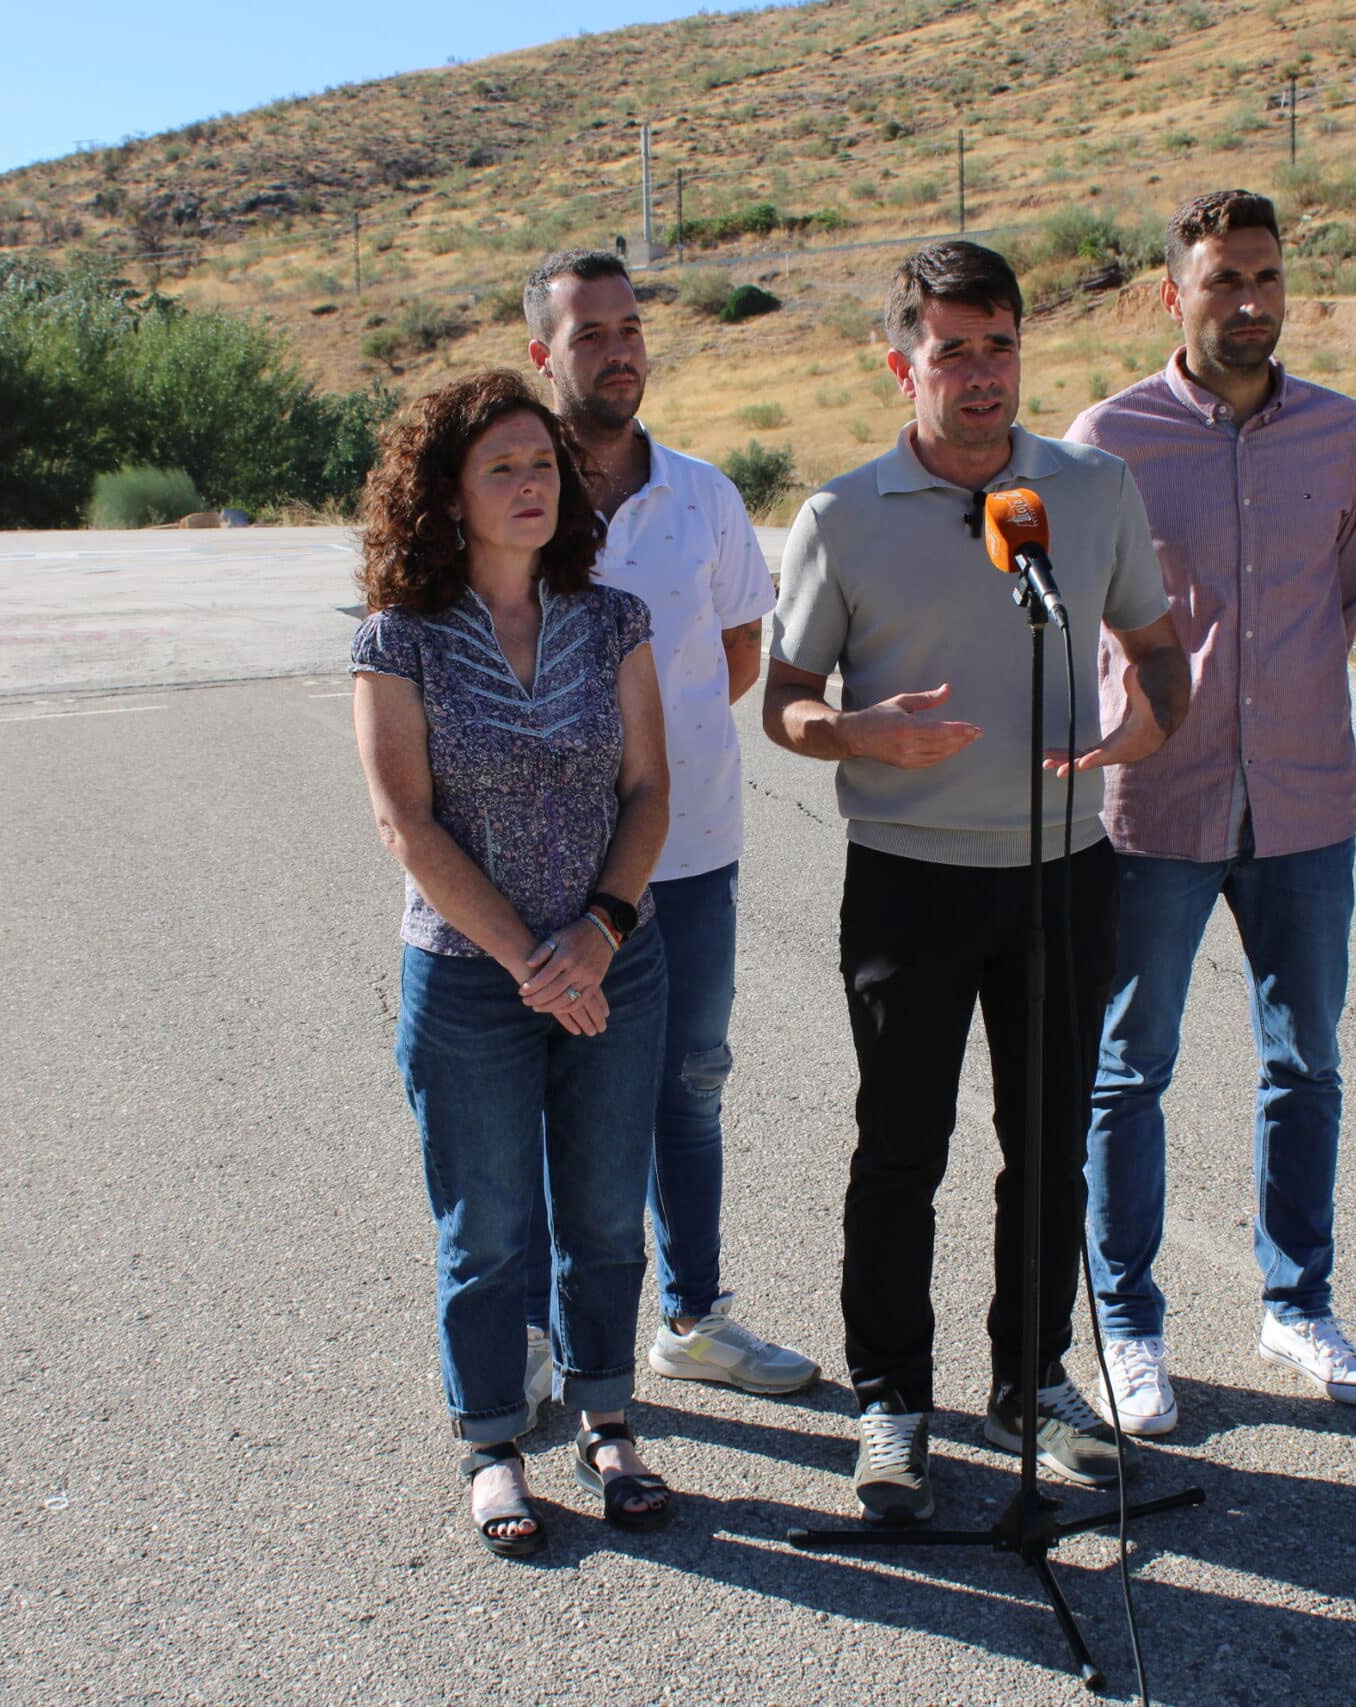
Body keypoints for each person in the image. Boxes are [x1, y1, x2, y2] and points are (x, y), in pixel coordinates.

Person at [763, 241, 1191, 1523]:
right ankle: (892, 1400)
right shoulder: (841, 516)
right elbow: (785, 700)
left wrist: (1148, 726)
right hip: (909, 881)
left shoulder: (1090, 489)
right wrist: (852, 730)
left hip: (1064, 871)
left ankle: (1030, 1382)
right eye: (951, 350)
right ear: (902, 364)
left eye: (999, 345)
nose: (982, 373)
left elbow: (1155, 648)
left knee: (1048, 1148)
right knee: (902, 1150)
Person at [1068, 189, 1356, 1431]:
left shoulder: (1342, 433)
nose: (1248, 302)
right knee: (1126, 1069)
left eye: (1264, 278)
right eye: (1221, 280)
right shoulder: (1108, 441)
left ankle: (1297, 1305)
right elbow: (1076, 617)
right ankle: (1127, 1328)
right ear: (1173, 294)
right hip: (1156, 804)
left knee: (1305, 1064)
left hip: (1305, 799)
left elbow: (1340, 596)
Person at [349, 371, 678, 1559]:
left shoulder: (613, 619)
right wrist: (534, 961)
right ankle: (493, 1443)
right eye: (500, 467)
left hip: (612, 965)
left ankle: (607, 1424)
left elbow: (650, 790)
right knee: (486, 1228)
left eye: (542, 464)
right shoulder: (398, 639)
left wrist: (598, 933)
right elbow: (406, 823)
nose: (530, 484)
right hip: (468, 982)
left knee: (604, 1215)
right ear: (446, 494)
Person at [514, 249, 818, 1410]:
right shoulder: (510, 491)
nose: (618, 351)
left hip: (689, 850)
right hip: (543, 863)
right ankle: (541, 1336)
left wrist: (651, 757)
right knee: (551, 1097)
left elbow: (737, 652)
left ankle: (694, 1318)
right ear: (542, 354)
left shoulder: (700, 495)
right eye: (588, 334)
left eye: (630, 327)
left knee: (688, 1083)